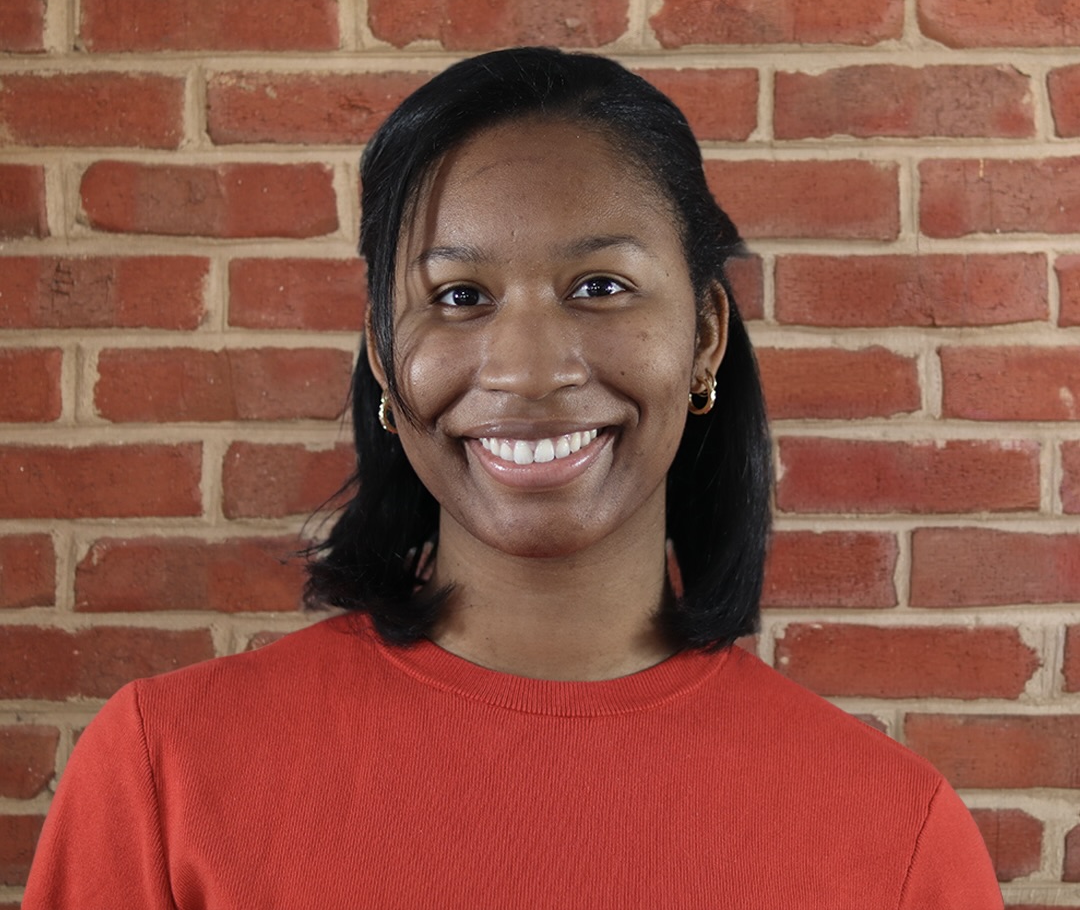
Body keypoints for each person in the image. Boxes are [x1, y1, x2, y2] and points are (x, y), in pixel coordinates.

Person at [24, 48, 1002, 908]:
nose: (529, 371)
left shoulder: (896, 835)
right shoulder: (166, 773)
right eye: (459, 296)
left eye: (600, 287)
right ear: (383, 354)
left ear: (705, 333)